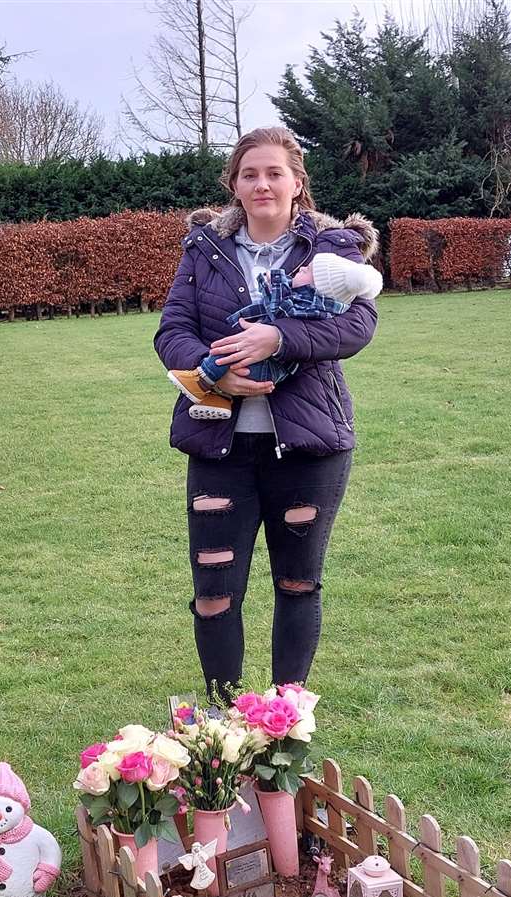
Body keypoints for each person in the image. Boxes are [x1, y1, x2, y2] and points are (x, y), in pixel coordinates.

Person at [154, 126, 380, 698]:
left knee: (299, 584)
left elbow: (359, 325)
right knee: (213, 592)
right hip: (219, 447)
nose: (262, 184)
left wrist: (278, 338)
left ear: (297, 182)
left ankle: (283, 728)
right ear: (233, 184)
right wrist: (214, 370)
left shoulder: (332, 249)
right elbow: (172, 331)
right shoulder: (204, 250)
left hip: (309, 448)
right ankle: (224, 733)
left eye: (274, 172)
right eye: (249, 174)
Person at [165, 253, 383, 421]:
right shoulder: (202, 243)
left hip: (275, 377)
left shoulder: (311, 302)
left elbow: (281, 309)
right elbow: (173, 327)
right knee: (236, 352)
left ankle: (201, 379)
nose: (302, 269)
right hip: (266, 377)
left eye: (307, 271)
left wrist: (278, 335)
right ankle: (220, 399)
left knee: (230, 351)